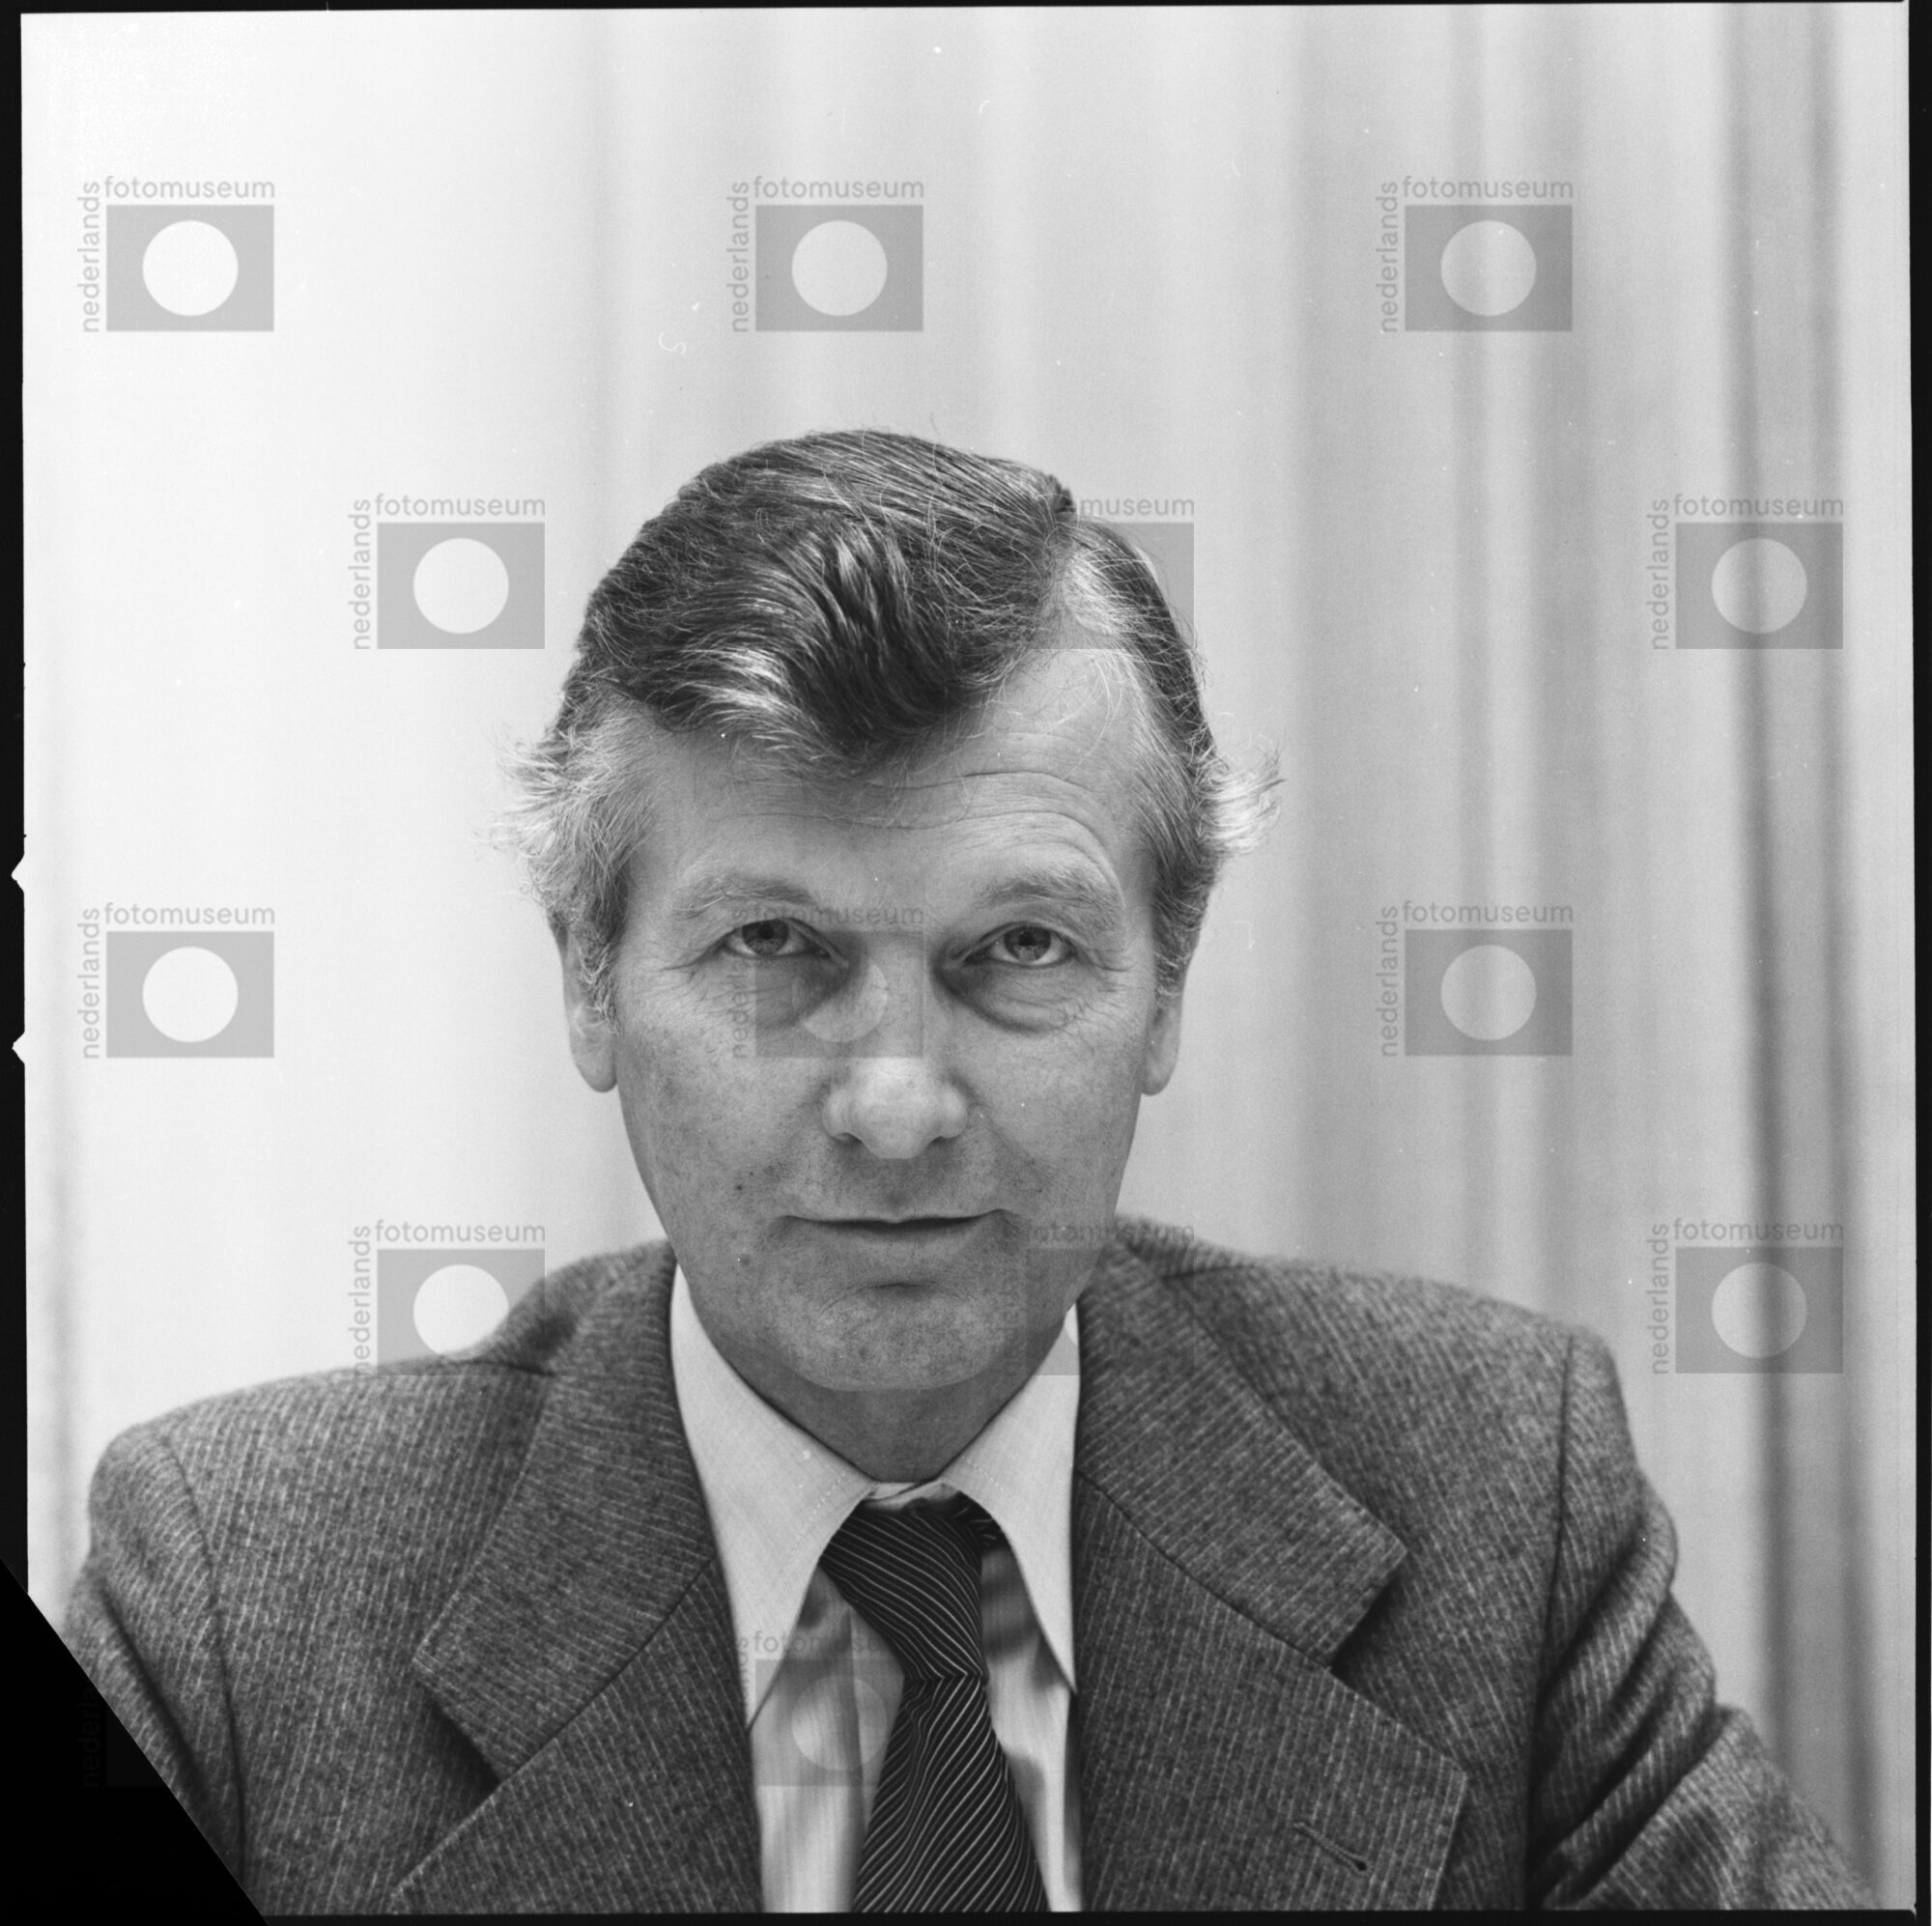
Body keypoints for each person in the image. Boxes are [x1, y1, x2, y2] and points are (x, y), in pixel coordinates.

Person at [65, 430, 1870, 1911]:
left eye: (1017, 948)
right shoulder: (239, 1607)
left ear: (1167, 984)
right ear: (589, 981)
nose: (897, 1104)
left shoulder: (1491, 1494)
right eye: (773, 946)